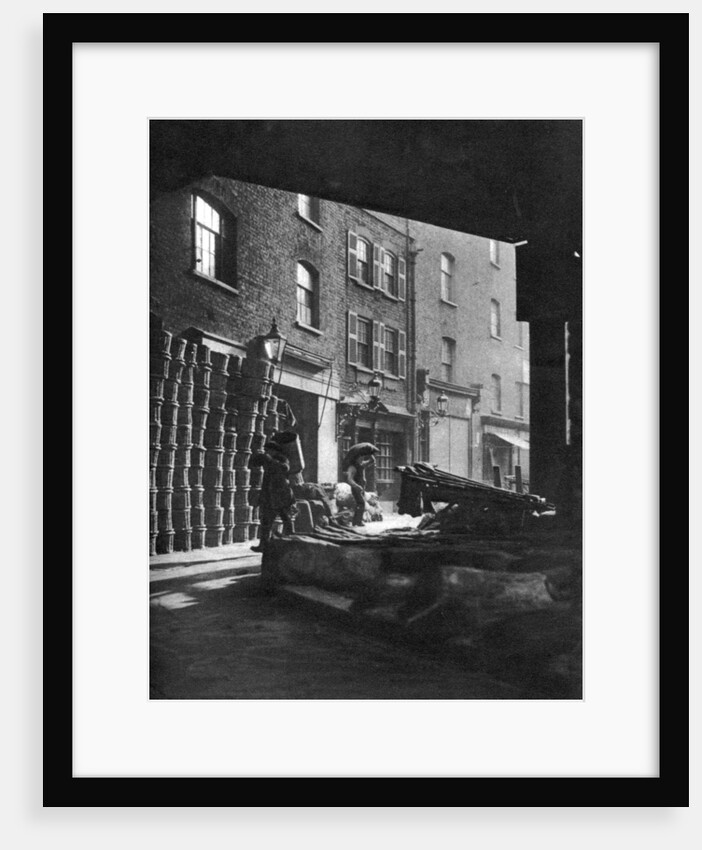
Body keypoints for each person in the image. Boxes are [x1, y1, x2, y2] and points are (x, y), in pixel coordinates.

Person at [249, 440, 296, 552]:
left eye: (268, 450)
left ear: (274, 450)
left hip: (282, 495)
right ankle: (263, 545)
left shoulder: (282, 459)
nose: (267, 452)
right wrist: (258, 455)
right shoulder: (266, 459)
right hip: (269, 495)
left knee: (286, 519)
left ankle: (292, 542)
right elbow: (253, 462)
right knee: (266, 522)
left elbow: (285, 468)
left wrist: (270, 460)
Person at [341, 443, 378, 527]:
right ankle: (357, 522)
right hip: (356, 488)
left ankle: (358, 521)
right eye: (361, 457)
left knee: (360, 504)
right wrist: (357, 487)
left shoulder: (360, 465)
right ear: (356, 458)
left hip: (361, 487)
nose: (362, 458)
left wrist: (370, 453)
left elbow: (372, 461)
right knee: (360, 503)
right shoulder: (352, 467)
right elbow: (349, 480)